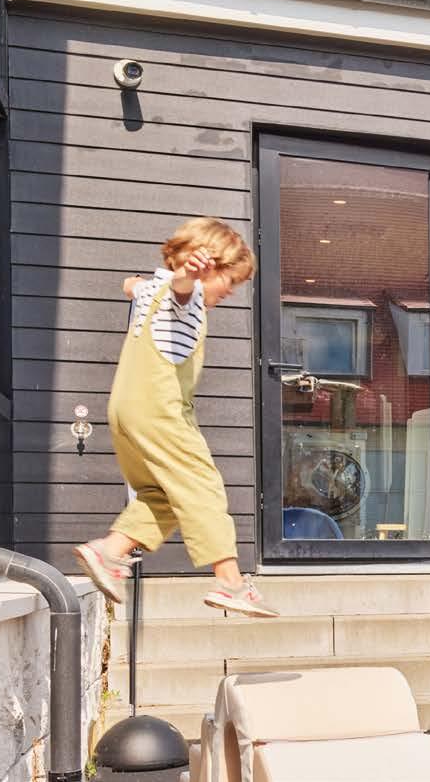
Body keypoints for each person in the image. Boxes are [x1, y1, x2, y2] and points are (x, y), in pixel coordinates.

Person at [74, 218, 278, 617]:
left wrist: (159, 278)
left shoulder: (151, 290)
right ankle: (231, 582)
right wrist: (188, 276)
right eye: (230, 281)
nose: (231, 292)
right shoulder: (188, 296)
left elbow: (131, 285)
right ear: (208, 267)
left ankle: (109, 551)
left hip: (126, 411)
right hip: (160, 411)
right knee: (202, 486)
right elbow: (182, 291)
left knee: (163, 495)